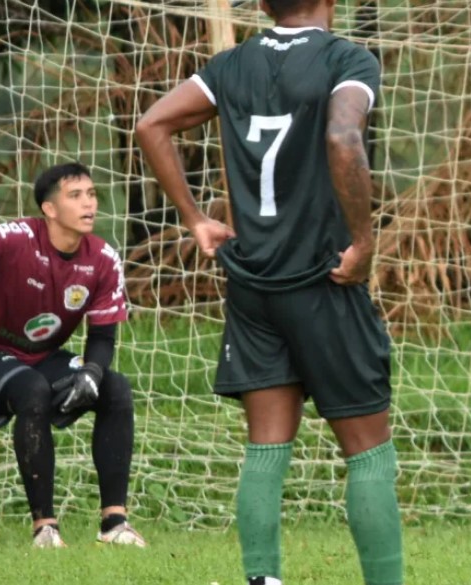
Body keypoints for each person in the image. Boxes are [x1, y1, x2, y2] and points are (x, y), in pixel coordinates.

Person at [135, 1, 401, 584]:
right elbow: (342, 135)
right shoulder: (345, 59)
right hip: (323, 279)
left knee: (266, 446)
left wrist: (196, 219)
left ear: (261, 5)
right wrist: (363, 242)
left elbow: (150, 124)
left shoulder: (232, 65)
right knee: (367, 447)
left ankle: (261, 579)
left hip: (253, 284)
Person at [0, 162, 145, 549]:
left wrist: (93, 372)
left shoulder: (103, 259)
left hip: (41, 356)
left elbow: (103, 336)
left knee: (114, 388)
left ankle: (114, 524)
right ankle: (45, 528)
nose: (89, 203)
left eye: (92, 194)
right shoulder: (16, 237)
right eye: (75, 195)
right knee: (31, 389)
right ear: (49, 208)